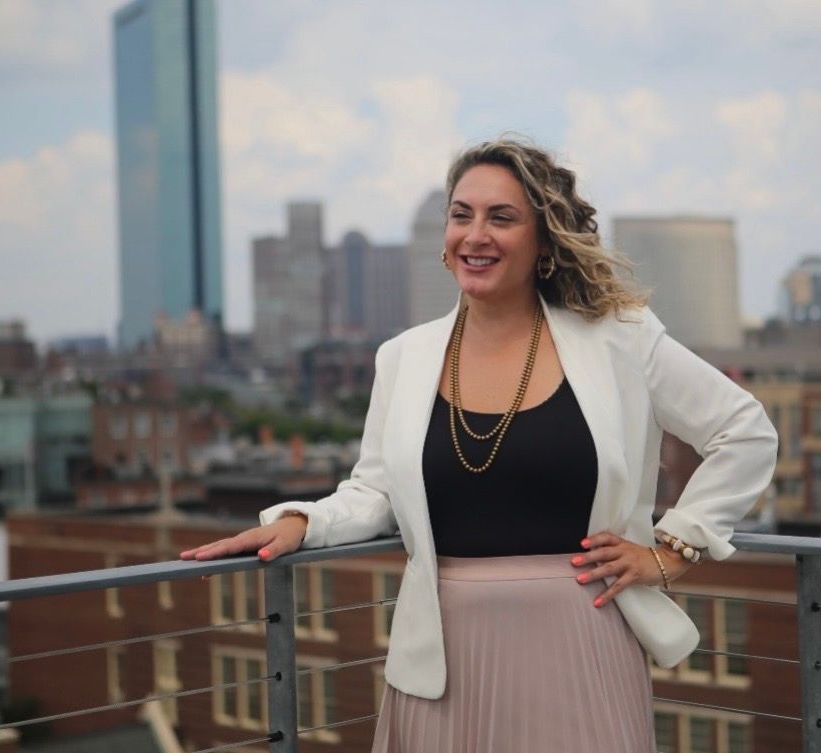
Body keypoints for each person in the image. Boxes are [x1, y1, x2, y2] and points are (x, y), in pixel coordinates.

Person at [181, 137, 778, 752]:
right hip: (441, 656)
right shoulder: (403, 357)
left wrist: (675, 548)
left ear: (543, 240)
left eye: (502, 217)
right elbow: (377, 490)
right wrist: (301, 523)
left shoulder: (620, 340)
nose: (475, 235)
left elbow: (745, 431)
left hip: (581, 645)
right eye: (461, 215)